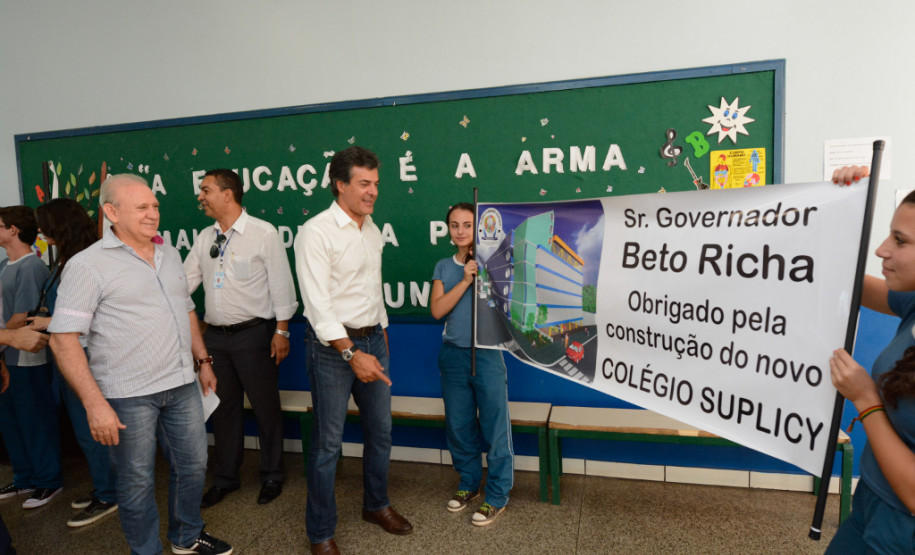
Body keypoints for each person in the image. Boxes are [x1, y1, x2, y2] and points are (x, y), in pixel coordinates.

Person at [48, 175, 232, 555]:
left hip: (181, 385)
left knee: (194, 466)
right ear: (111, 212)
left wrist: (203, 360)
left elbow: (185, 308)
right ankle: (145, 550)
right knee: (136, 482)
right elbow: (63, 339)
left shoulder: (169, 254)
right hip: (126, 394)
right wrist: (94, 404)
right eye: (142, 208)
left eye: (155, 206)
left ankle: (186, 536)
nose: (153, 214)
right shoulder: (87, 266)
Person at [294, 146, 412, 555]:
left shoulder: (372, 229)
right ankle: (320, 532)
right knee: (328, 445)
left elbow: (371, 289)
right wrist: (350, 353)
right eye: (364, 183)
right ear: (339, 185)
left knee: (381, 431)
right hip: (332, 349)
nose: (372, 192)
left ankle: (376, 505)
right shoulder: (316, 231)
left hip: (372, 340)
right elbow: (318, 305)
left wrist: (381, 334)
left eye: (376, 184)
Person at [184, 169, 298, 507]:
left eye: (206, 190)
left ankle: (273, 474)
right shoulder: (205, 238)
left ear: (228, 193)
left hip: (255, 335)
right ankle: (225, 478)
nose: (200, 197)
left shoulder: (263, 233)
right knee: (223, 409)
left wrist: (281, 331)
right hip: (216, 338)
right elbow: (183, 282)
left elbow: (281, 284)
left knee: (265, 408)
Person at [826, 165, 915, 553]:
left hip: (902, 529)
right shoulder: (912, 303)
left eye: (900, 240)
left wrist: (865, 399)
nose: (882, 249)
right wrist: (840, 207)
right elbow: (848, 282)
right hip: (871, 502)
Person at [28, 198, 119, 527]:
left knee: (93, 429)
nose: (38, 230)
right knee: (83, 431)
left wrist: (47, 322)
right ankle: (103, 487)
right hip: (66, 355)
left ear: (60, 224)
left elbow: (93, 316)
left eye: (44, 224)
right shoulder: (64, 260)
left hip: (85, 356)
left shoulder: (85, 262)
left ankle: (111, 494)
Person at [429, 202, 513, 526]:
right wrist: (464, 279)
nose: (461, 231)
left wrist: (486, 270)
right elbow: (437, 311)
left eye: (467, 224)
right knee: (459, 426)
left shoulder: (493, 262)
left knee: (495, 428)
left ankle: (497, 495)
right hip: (453, 356)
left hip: (488, 353)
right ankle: (468, 484)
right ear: (448, 230)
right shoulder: (443, 267)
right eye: (455, 225)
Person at [0, 205, 63, 509]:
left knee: (35, 418)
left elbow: (21, 317)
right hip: (5, 355)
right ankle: (24, 476)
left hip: (28, 358)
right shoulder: (4, 265)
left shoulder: (32, 267)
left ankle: (48, 480)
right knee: (11, 420)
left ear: (13, 229)